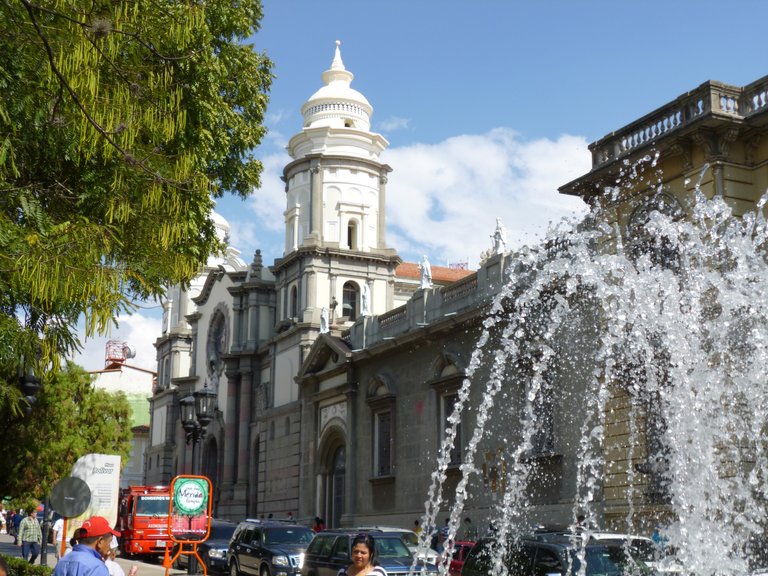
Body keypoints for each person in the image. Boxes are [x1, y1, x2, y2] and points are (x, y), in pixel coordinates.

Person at [53, 516, 120, 576]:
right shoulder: (97, 567)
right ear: (100, 541)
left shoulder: (63, 561)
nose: (109, 546)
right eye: (109, 542)